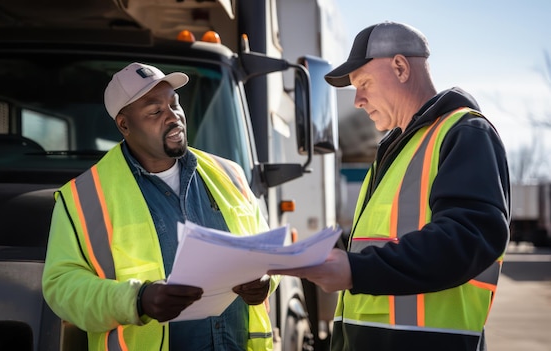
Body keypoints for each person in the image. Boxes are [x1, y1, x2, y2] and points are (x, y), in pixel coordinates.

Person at [268, 21, 510, 351]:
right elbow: (385, 239)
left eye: (363, 83)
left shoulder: (465, 133)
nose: (358, 101)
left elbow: (468, 238)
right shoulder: (396, 150)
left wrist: (356, 270)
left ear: (399, 67)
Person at [42, 62, 277, 351]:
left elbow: (266, 254)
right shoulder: (82, 197)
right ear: (124, 125)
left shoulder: (230, 174)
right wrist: (137, 300)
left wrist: (266, 280)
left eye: (175, 105)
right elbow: (62, 288)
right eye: (155, 111)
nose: (173, 117)